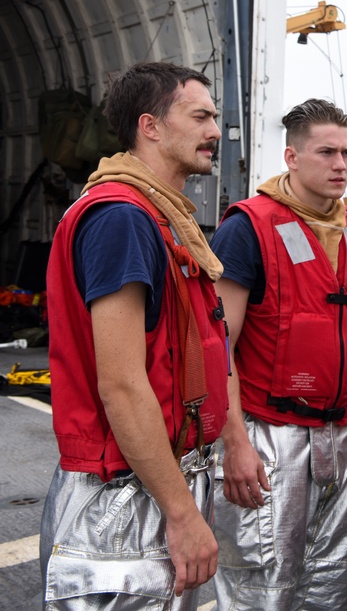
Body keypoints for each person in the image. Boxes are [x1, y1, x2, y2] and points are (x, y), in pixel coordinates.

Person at [209, 98, 347, 610]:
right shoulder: (248, 228)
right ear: (292, 157)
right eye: (327, 152)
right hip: (272, 438)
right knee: (261, 585)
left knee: (332, 580)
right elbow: (218, 348)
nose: (341, 164)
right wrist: (234, 444)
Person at [40, 61, 230, 608]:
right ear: (150, 126)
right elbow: (121, 384)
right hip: (122, 501)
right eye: (200, 116)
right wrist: (181, 513)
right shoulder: (123, 218)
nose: (215, 131)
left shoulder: (161, 218)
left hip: (156, 478)